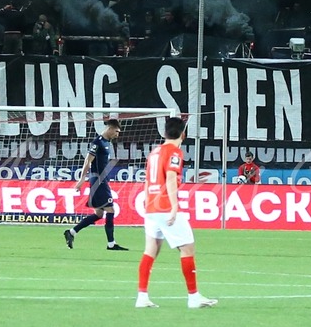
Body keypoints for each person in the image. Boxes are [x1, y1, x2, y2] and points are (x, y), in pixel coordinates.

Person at [136, 116, 215, 310]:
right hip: (164, 206)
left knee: (150, 250)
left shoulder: (154, 152)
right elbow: (170, 177)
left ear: (164, 133)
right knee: (188, 248)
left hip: (151, 207)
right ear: (183, 134)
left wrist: (148, 202)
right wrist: (174, 206)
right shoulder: (175, 152)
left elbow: (147, 180)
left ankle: (142, 296)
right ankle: (194, 297)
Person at [64, 120, 129, 252]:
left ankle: (71, 232)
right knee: (110, 210)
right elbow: (87, 161)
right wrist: (82, 179)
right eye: (116, 131)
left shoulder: (106, 143)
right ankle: (111, 244)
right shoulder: (97, 142)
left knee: (99, 214)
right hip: (98, 180)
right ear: (110, 128)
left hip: (101, 179)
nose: (118, 134)